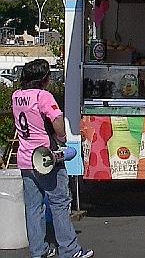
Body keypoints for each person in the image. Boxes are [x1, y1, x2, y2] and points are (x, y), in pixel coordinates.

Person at [11, 59, 93, 258]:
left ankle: (38, 251)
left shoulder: (16, 96)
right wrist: (62, 138)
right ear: (44, 79)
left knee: (33, 208)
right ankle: (70, 250)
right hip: (47, 157)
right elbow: (56, 120)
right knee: (59, 204)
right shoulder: (43, 96)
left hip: (25, 158)